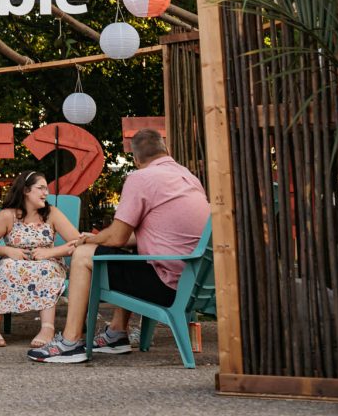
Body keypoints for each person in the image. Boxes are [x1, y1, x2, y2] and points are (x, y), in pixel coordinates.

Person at [27, 129, 210, 363]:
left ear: (135, 159)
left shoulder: (141, 178)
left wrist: (89, 240)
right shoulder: (189, 178)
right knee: (126, 253)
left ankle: (70, 342)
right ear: (167, 150)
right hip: (194, 281)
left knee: (84, 254)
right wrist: (97, 239)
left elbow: (117, 237)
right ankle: (116, 334)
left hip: (167, 285)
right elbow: (154, 236)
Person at [0, 171, 81, 347]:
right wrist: (7, 250)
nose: (46, 193)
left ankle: (47, 329)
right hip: (14, 262)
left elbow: (78, 241)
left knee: (46, 269)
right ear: (26, 190)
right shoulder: (8, 215)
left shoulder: (52, 214)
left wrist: (50, 253)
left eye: (46, 189)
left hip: (48, 262)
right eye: (41, 188)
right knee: (5, 268)